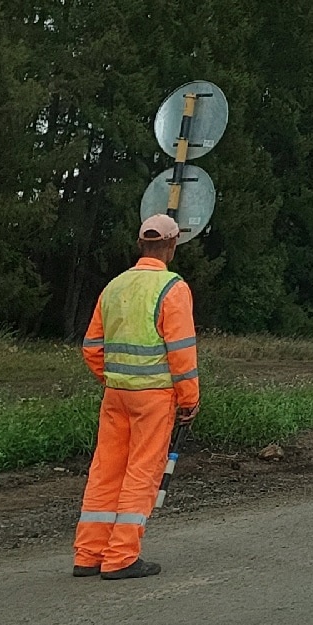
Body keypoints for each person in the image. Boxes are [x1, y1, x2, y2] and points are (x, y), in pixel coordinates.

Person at [73, 213, 201, 579]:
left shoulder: (114, 286)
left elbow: (91, 346)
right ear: (172, 246)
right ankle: (121, 557)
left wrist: (112, 378)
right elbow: (181, 351)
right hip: (154, 399)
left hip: (116, 395)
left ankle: (88, 554)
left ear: (140, 244)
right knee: (141, 472)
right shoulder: (172, 288)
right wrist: (189, 398)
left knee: (105, 470)